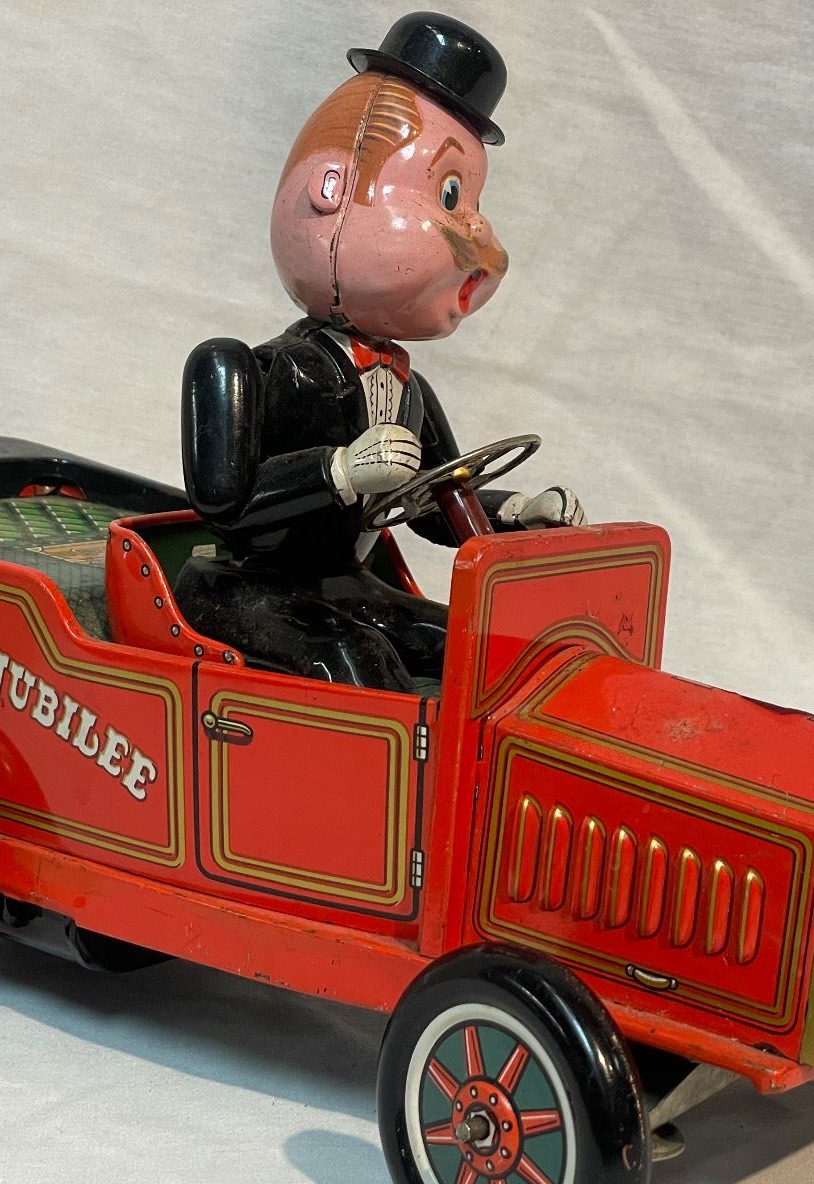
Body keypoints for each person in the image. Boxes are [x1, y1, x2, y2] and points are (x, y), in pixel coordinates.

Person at [177, 12, 587, 693]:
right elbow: (227, 505)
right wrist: (340, 471)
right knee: (355, 664)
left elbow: (434, 505)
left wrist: (518, 513)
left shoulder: (409, 390)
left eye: (471, 200)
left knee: (476, 650)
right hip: (246, 587)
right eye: (449, 194)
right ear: (330, 190)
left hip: (345, 582)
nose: (478, 231)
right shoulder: (244, 369)